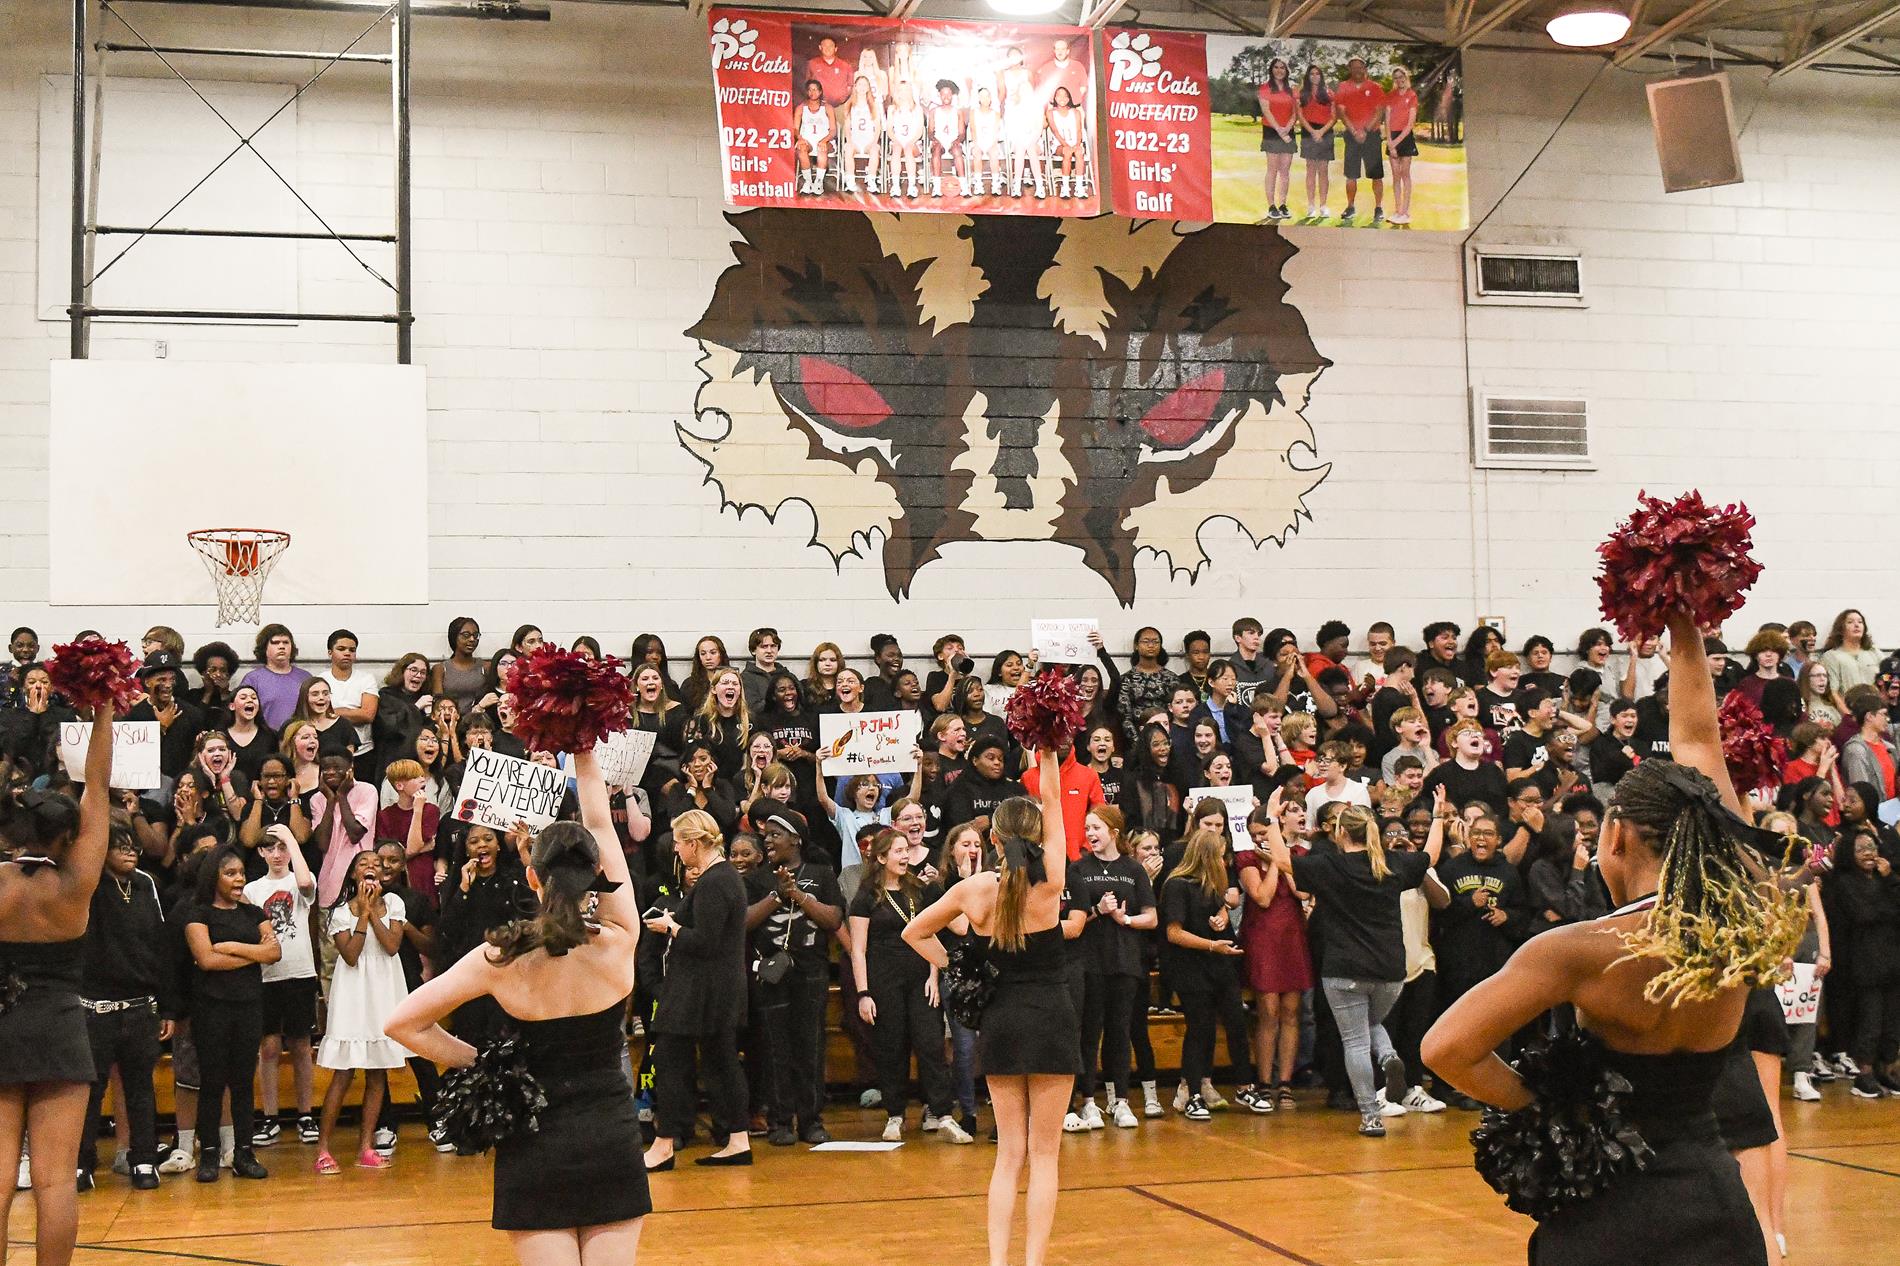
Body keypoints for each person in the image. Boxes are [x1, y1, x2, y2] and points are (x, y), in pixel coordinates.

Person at [1423, 611, 1805, 1266]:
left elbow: (1446, 1048)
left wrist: (1552, 1102)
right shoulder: (1743, 911)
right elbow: (1696, 740)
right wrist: (1685, 627)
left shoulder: (1581, 949)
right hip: (1715, 1203)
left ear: (1615, 835)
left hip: (1608, 1213)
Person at [386, 744, 648, 1263]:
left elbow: (403, 1023)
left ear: (532, 877)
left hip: (534, 1138)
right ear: (597, 876)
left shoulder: (500, 956)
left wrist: (482, 1062)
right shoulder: (619, 938)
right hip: (610, 1134)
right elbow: (600, 819)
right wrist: (583, 752)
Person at [902, 747, 1072, 1266]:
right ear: (1038, 838)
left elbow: (914, 931)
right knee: (1045, 1158)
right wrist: (1046, 752)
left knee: (1008, 1155)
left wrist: (954, 965)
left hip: (999, 1021)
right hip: (1051, 1019)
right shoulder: (1051, 884)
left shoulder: (974, 889)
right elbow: (1053, 802)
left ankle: (999, 1262)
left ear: (993, 839)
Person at [1264, 794, 1445, 1137]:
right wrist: (1437, 818)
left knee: (1355, 1042)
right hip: (1391, 968)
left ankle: (1370, 1116)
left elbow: (1283, 860)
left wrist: (1273, 820)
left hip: (1344, 968)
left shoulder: (1330, 866)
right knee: (1372, 1022)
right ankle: (1389, 1055)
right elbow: (1430, 857)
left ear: (1340, 835)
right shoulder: (1391, 863)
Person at [642, 808, 752, 1170]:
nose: (675, 850)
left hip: (701, 991)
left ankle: (664, 1144)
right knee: (721, 1062)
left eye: (678, 843)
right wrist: (676, 921)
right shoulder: (722, 879)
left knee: (671, 1060)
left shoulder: (716, 881)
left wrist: (670, 928)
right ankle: (737, 1140)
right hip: (714, 989)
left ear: (692, 843)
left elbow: (705, 940)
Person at [78, 808, 174, 1191]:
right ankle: (82, 1165)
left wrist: (167, 1005)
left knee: (141, 1089)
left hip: (140, 1006)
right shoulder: (89, 884)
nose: (129, 851)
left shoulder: (148, 883)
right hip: (95, 1007)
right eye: (119, 846)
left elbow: (162, 947)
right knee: (90, 1090)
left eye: (133, 846)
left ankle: (144, 1160)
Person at [850, 827, 964, 1142]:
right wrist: (863, 993)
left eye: (906, 851)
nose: (905, 856)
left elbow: (931, 932)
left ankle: (942, 1113)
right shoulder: (865, 897)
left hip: (920, 978)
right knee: (892, 1047)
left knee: (931, 1044)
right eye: (898, 852)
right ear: (882, 857)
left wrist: (932, 975)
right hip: (884, 980)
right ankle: (895, 1114)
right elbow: (858, 949)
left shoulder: (921, 890)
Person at [745, 804, 843, 1147]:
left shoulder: (822, 872)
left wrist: (798, 895)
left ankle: (811, 1120)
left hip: (811, 970)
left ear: (796, 840)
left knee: (810, 1045)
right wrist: (776, 895)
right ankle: (779, 1120)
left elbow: (833, 920)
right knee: (775, 1048)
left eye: (775, 835)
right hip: (771, 971)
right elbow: (743, 923)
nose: (768, 841)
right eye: (766, 835)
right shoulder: (756, 879)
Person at [182, 844, 279, 1181]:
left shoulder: (253, 914)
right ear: (214, 877)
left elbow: (274, 952)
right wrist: (255, 953)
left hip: (249, 1005)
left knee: (242, 1082)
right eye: (231, 873)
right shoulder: (198, 914)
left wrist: (235, 948)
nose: (239, 879)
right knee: (212, 1082)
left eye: (241, 872)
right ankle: (208, 1153)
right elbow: (206, 959)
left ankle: (243, 1152)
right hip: (211, 1007)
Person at [1160, 828, 1269, 1121]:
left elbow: (1219, 910)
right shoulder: (1177, 885)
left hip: (1219, 964)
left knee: (1236, 1021)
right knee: (1200, 1028)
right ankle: (1192, 1092)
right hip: (1191, 966)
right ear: (1208, 857)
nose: (1226, 863)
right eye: (1222, 857)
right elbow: (1173, 932)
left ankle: (1245, 1086)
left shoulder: (1213, 885)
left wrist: (1221, 918)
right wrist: (1211, 944)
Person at [314, 850, 410, 1173]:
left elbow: (392, 946)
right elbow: (352, 955)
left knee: (377, 1072)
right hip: (354, 992)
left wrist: (374, 912)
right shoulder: (340, 912)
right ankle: (323, 1149)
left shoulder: (395, 904)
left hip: (383, 989)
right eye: (363, 864)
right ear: (354, 875)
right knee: (343, 1074)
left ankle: (365, 1147)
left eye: (376, 864)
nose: (370, 868)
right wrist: (363, 913)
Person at [243, 825, 319, 1149]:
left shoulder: (300, 879)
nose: (276, 854)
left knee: (301, 1045)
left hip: (300, 972)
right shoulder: (252, 889)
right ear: (260, 852)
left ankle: (305, 1114)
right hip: (266, 975)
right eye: (270, 848)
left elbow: (304, 883)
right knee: (269, 1048)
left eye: (281, 848)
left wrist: (290, 837)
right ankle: (270, 1117)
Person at [1238, 804, 1312, 1108]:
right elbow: (1263, 897)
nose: (1260, 840)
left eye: (1265, 834)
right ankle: (1264, 1080)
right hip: (1262, 936)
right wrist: (1272, 866)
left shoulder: (1298, 856)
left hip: (1292, 937)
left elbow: (1302, 893)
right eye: (1256, 835)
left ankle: (1286, 1082)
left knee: (1292, 1012)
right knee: (1268, 1011)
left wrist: (1281, 861)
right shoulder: (1246, 859)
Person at [240, 624, 312, 731]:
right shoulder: (253, 679)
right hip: (266, 741)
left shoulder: (305, 677)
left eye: (286, 642)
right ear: (264, 648)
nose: (281, 646)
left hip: (300, 740)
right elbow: (243, 715)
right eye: (275, 642)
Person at [1256, 57, 1297, 223]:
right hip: (1272, 132)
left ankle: (1283, 205)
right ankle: (1271, 206)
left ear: (1286, 71)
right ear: (1272, 69)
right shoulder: (1265, 88)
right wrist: (1280, 130)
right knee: (1272, 169)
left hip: (1288, 131)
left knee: (1285, 171)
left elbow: (1295, 113)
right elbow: (1266, 111)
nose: (1279, 70)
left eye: (1282, 68)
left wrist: (1287, 128)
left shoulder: (1292, 90)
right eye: (1276, 67)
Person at [1296, 63, 1335, 221]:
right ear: (1308, 76)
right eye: (1312, 74)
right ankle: (1311, 206)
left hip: (1325, 132)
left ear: (1321, 76)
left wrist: (1321, 132)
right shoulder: (1302, 94)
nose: (1315, 76)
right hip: (1308, 131)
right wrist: (1312, 132)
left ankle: (1323, 206)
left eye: (1317, 74)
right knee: (1310, 169)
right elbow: (1300, 116)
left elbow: (1333, 117)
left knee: (1323, 171)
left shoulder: (1329, 93)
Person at [1384, 64, 1418, 225]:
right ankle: (1397, 211)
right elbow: (1388, 120)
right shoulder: (1390, 96)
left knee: (1405, 174)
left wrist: (1396, 143)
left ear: (1406, 77)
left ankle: (1405, 212)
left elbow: (1410, 123)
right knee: (1396, 176)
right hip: (1392, 137)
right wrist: (1390, 142)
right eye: (1396, 78)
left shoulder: (1412, 96)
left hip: (1405, 137)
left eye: (1401, 77)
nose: (1399, 80)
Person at [793, 80, 835, 196]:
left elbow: (833, 130)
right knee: (801, 149)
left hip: (824, 140)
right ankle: (808, 181)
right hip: (807, 141)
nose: (813, 92)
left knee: (822, 148)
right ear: (807, 92)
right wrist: (799, 138)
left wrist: (824, 140)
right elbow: (795, 128)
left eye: (815, 89)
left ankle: (819, 181)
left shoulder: (827, 107)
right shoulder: (801, 108)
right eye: (810, 89)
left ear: (820, 92)